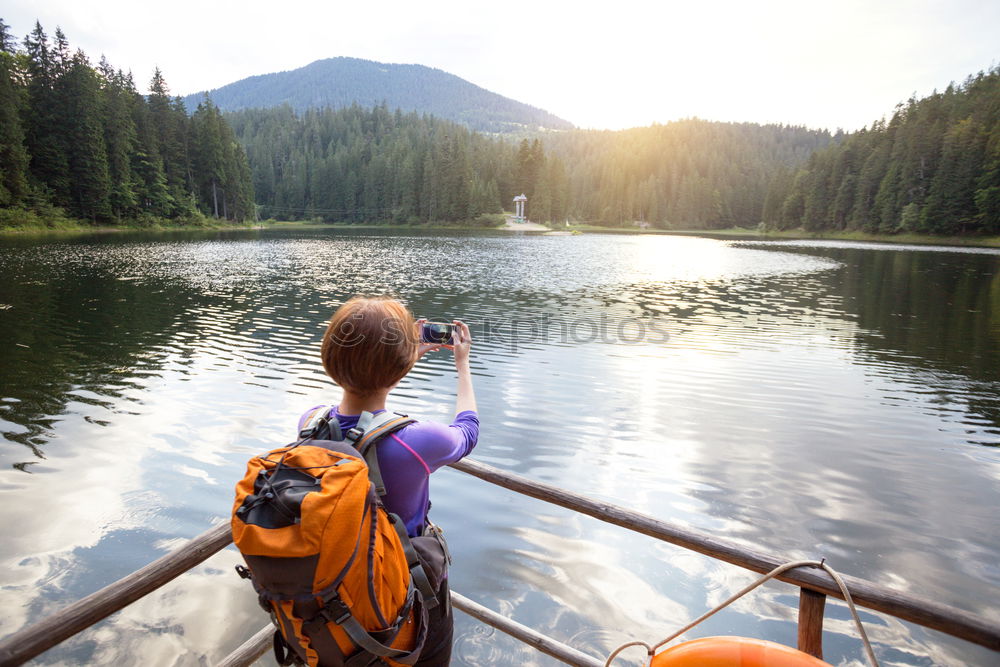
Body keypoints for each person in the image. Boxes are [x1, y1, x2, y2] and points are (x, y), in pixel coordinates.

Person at [297, 295, 478, 666]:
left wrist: (398, 361)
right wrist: (462, 365)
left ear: (329, 360)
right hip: (404, 599)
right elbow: (468, 430)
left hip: (335, 592)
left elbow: (363, 392)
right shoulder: (420, 441)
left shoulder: (310, 423)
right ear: (398, 369)